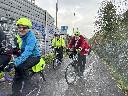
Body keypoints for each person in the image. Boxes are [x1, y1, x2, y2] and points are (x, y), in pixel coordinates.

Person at [10, 17, 41, 96]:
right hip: (24, 54)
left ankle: (27, 88)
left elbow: (28, 51)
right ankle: (15, 93)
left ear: (28, 28)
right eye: (19, 27)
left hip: (34, 56)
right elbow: (16, 46)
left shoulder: (31, 37)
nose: (21, 29)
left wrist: (16, 62)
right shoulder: (19, 36)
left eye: (24, 27)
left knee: (21, 67)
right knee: (17, 72)